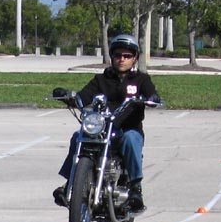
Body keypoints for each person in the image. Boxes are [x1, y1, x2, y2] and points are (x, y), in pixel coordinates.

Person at [53, 33, 160, 212]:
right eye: (117, 55)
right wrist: (70, 97)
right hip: (102, 129)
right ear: (111, 56)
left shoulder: (141, 80)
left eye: (127, 56)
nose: (121, 59)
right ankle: (70, 183)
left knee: (131, 140)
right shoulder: (101, 80)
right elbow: (83, 96)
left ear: (134, 58)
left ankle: (135, 188)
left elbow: (152, 95)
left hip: (127, 129)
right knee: (78, 137)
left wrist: (152, 98)